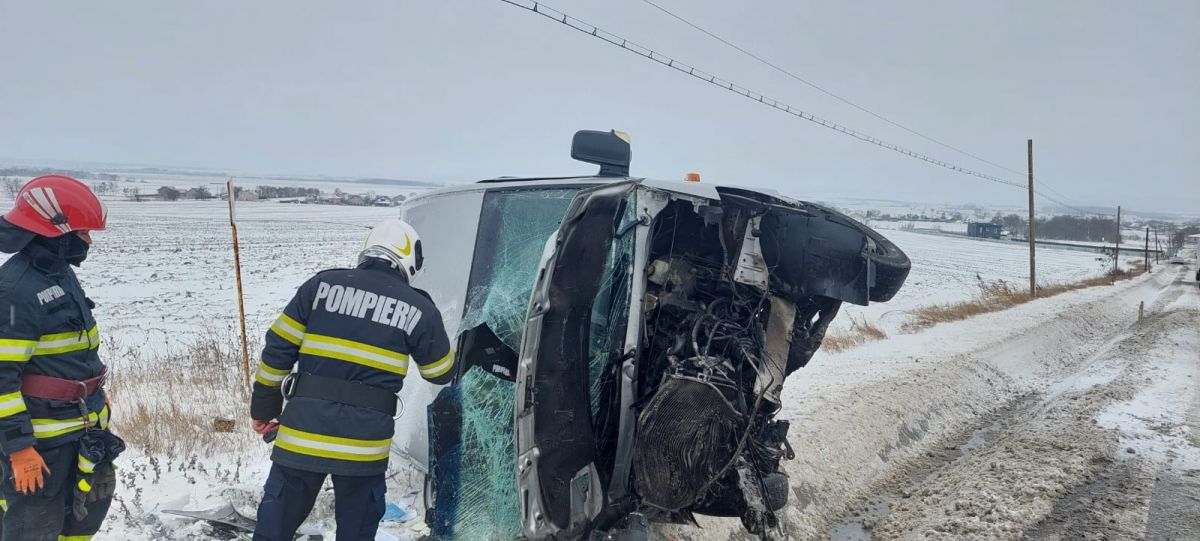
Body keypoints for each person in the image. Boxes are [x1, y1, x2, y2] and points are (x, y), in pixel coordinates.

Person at [251, 218, 455, 541]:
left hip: (303, 434)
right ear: (411, 260)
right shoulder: (419, 308)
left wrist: (264, 408)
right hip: (364, 447)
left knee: (273, 530)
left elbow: (277, 348)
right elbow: (440, 372)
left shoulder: (319, 286)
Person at [0, 175, 123, 541]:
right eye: (83, 233)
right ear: (53, 231)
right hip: (41, 445)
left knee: (80, 523)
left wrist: (95, 394)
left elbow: (71, 350)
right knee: (33, 530)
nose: (88, 242)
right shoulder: (15, 290)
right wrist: (19, 448)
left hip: (82, 430)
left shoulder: (59, 273)